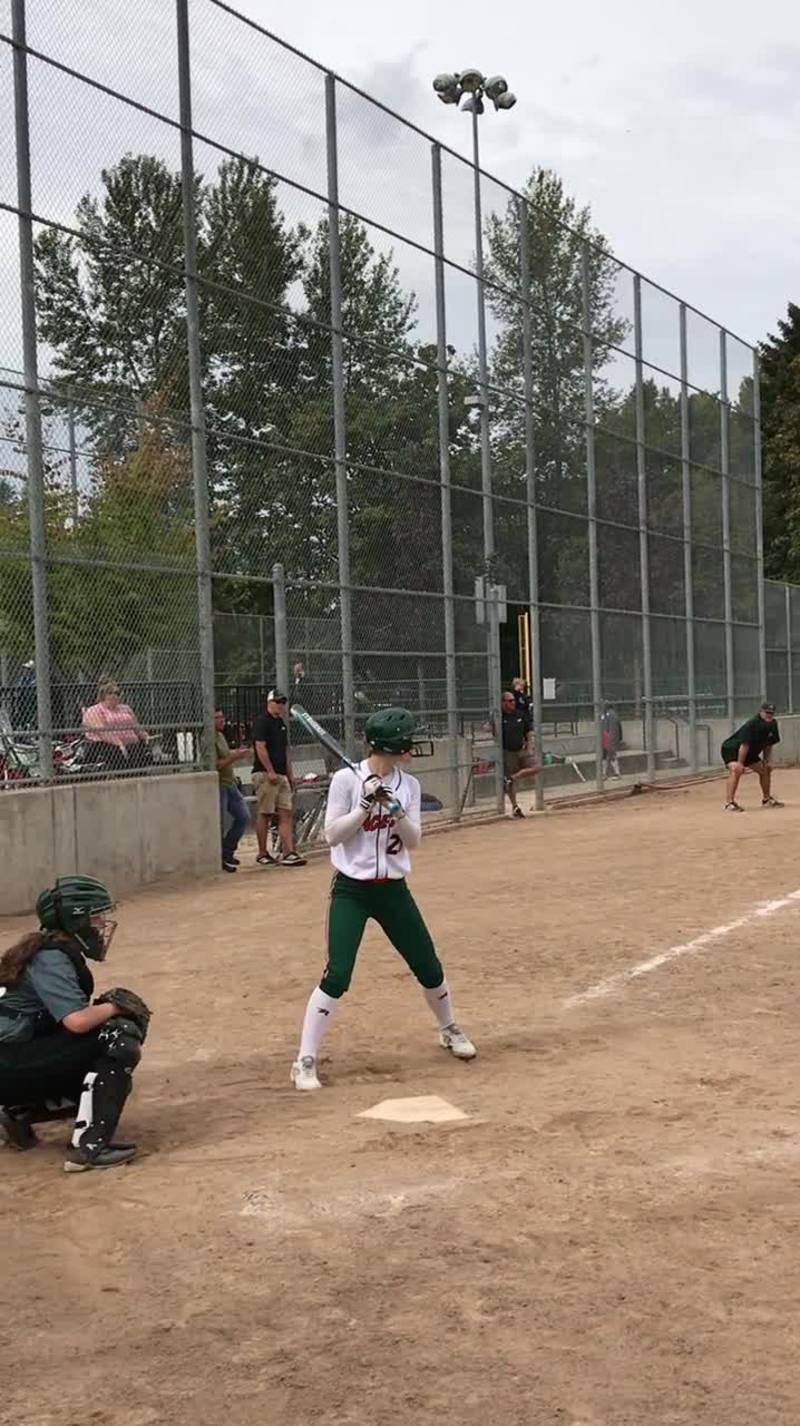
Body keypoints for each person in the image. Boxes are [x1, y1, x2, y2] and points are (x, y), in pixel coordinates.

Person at [290, 707, 476, 1091]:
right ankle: (304, 1059)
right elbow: (331, 836)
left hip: (392, 889)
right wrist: (364, 806)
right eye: (406, 742)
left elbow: (414, 840)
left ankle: (449, 1028)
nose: (412, 747)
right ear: (390, 746)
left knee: (428, 965)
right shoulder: (346, 780)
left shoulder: (409, 786)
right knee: (337, 974)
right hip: (352, 890)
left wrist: (395, 811)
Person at [0, 876, 148, 1172]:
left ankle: (20, 1111)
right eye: (95, 916)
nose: (101, 923)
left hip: (10, 1058)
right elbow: (77, 1022)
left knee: (95, 1053)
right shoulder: (51, 958)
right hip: (6, 1064)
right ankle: (88, 1148)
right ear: (74, 920)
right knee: (118, 1034)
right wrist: (115, 1007)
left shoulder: (46, 949)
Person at [251, 689, 306, 867]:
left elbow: (285, 751)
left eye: (283, 702)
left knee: (286, 813)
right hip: (265, 774)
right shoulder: (262, 722)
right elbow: (260, 747)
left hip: (281, 775)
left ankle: (288, 852)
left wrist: (290, 774)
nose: (281, 705)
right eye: (277, 702)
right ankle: (262, 853)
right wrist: (270, 771)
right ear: (269, 703)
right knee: (265, 813)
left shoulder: (281, 723)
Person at [722, 702, 783, 811]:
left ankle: (766, 800)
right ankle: (729, 803)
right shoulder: (752, 724)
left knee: (765, 769)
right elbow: (744, 745)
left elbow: (769, 744)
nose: (769, 715)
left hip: (750, 752)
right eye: (767, 712)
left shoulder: (773, 724)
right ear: (761, 712)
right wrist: (740, 763)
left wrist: (766, 760)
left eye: (771, 713)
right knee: (736, 770)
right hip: (733, 749)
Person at [82, 681, 151, 771]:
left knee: (140, 762)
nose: (115, 695)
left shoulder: (125, 708)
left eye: (117, 693)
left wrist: (146, 737)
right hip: (109, 744)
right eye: (111, 693)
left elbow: (136, 727)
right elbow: (102, 732)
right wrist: (119, 744)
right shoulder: (94, 710)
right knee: (116, 756)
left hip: (131, 743)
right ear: (103, 695)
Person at [213, 709, 251, 873]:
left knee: (243, 816)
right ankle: (220, 858)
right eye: (216, 718)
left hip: (230, 783)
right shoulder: (208, 738)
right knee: (220, 823)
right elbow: (216, 764)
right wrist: (235, 757)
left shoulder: (221, 736)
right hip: (219, 784)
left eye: (222, 716)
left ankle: (227, 850)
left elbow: (226, 756)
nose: (221, 720)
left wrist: (237, 753)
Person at [501, 690, 539, 819]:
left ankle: (514, 777)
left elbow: (528, 732)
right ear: (503, 703)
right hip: (508, 751)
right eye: (510, 701)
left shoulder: (519, 714)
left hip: (521, 749)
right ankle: (515, 807)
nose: (513, 703)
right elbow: (489, 728)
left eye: (513, 700)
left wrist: (529, 747)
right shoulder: (500, 716)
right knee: (511, 784)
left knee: (536, 767)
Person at [601, 702, 623, 778]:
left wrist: (614, 739)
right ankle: (604, 774)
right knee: (604, 755)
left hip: (610, 737)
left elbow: (615, 729)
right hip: (605, 736)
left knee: (611, 754)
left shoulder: (612, 715)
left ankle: (617, 773)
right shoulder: (604, 715)